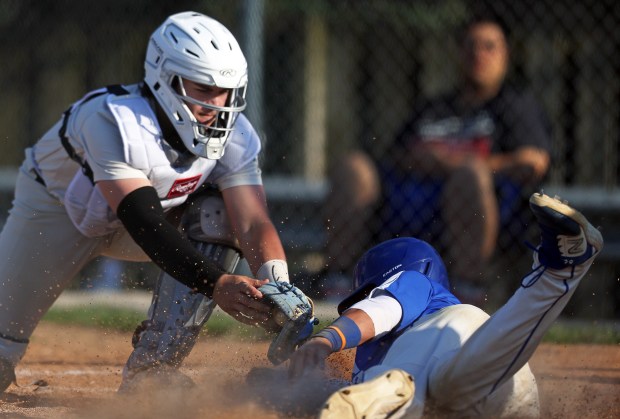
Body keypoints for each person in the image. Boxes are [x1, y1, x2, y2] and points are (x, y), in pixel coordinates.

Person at [0, 11, 303, 393]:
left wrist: (278, 284)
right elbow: (145, 223)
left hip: (151, 219)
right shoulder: (111, 118)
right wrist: (218, 283)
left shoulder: (236, 135)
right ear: (165, 78)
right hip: (56, 213)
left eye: (224, 90)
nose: (217, 103)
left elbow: (252, 222)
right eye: (202, 88)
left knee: (216, 212)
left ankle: (153, 367)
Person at [288, 192, 603, 418]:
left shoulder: (417, 286)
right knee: (438, 389)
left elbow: (382, 309)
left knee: (405, 384)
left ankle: (397, 394)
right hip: (508, 391)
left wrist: (324, 340)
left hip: (443, 346)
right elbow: (340, 390)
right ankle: (559, 270)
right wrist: (286, 386)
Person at [320, 16, 552, 305]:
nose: (478, 54)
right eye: (470, 46)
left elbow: (534, 161)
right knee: (352, 167)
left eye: (489, 47)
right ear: (458, 53)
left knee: (469, 175)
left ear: (506, 55)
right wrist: (428, 161)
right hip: (407, 207)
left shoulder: (515, 106)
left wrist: (453, 163)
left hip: (479, 211)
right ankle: (339, 283)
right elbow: (397, 156)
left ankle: (468, 291)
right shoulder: (436, 107)